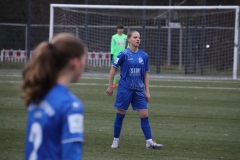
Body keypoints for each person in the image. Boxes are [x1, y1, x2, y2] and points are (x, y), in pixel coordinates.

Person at [21, 33, 87, 160]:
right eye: (84, 60)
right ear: (75, 62)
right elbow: (71, 155)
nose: (84, 65)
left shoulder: (37, 95)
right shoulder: (70, 106)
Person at [106, 30, 163, 149]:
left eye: (139, 37)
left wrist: (147, 91)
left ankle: (149, 142)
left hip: (139, 90)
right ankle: (115, 140)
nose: (138, 39)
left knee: (144, 114)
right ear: (129, 39)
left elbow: (146, 75)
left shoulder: (144, 55)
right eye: (135, 37)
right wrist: (110, 86)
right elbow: (113, 69)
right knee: (121, 114)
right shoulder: (123, 54)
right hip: (125, 89)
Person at [110, 24, 127, 88]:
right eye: (119, 29)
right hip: (116, 56)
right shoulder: (114, 37)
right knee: (115, 69)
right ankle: (114, 83)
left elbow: (127, 46)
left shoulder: (126, 37)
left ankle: (124, 83)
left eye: (121, 29)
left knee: (124, 69)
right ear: (117, 29)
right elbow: (112, 46)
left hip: (124, 56)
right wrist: (112, 54)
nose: (120, 30)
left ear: (123, 29)